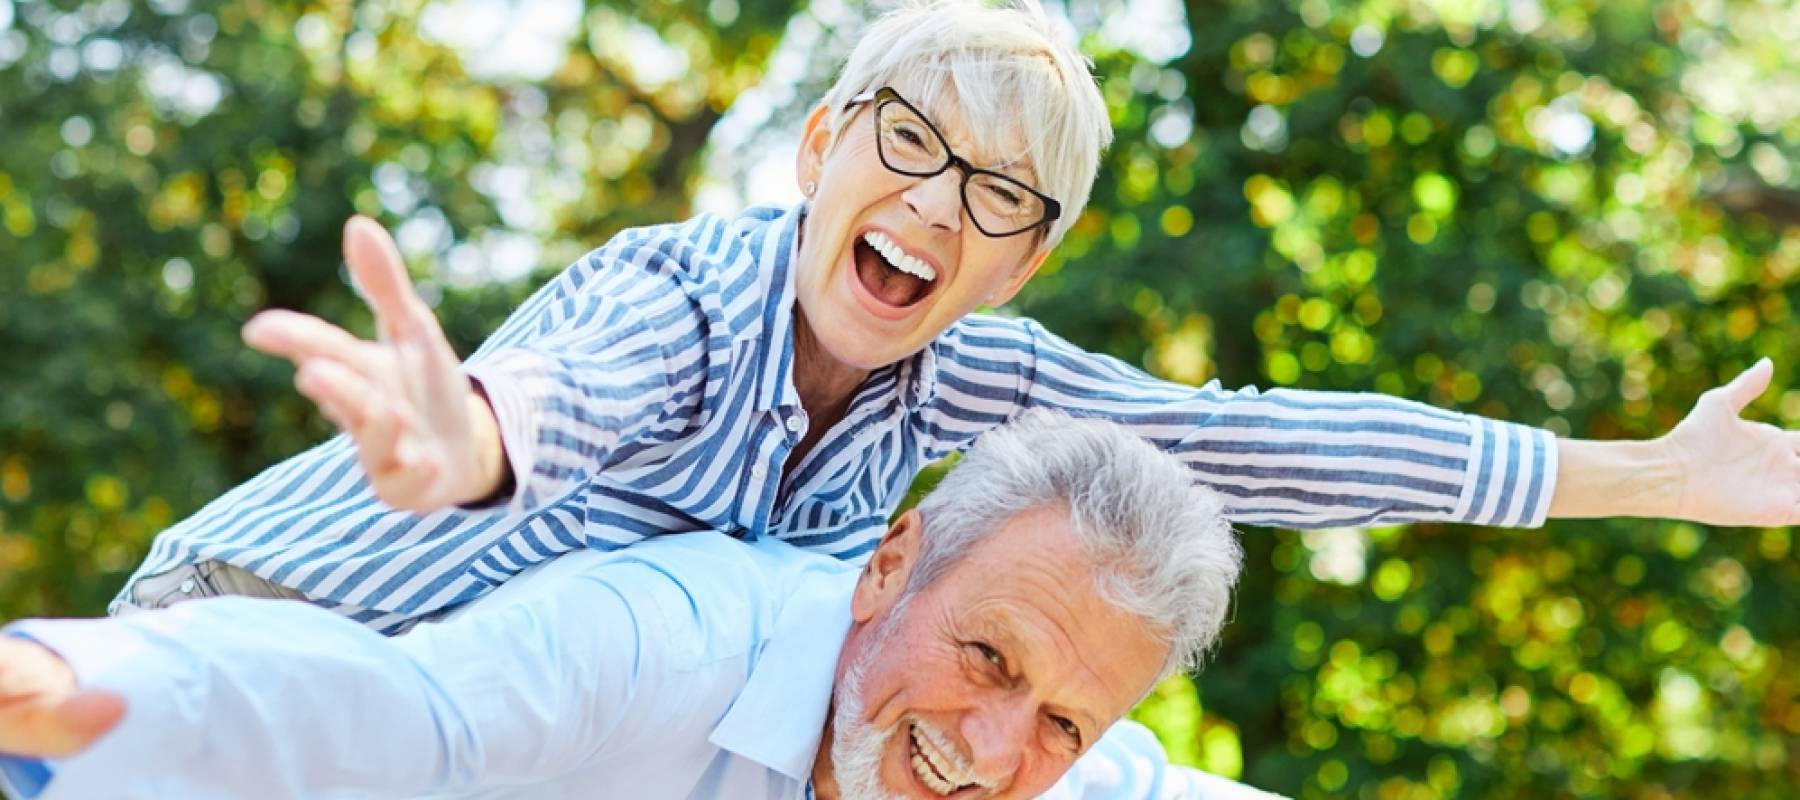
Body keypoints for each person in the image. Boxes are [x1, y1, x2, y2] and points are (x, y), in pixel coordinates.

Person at [117, 0, 1797, 632]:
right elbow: (569, 387)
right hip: (242, 620)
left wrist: (1651, 473)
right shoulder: (684, 294)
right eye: (911, 144)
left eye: (1000, 195)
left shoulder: (962, 375)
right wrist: (469, 441)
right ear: (819, 149)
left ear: (1022, 265)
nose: (936, 206)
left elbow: (1257, 444)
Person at [0, 413, 1276, 800]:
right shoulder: (669, 636)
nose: (992, 754)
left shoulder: (1063, 764)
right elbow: (404, 706)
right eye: (989, 655)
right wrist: (74, 686)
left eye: (1063, 723)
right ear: (892, 564)